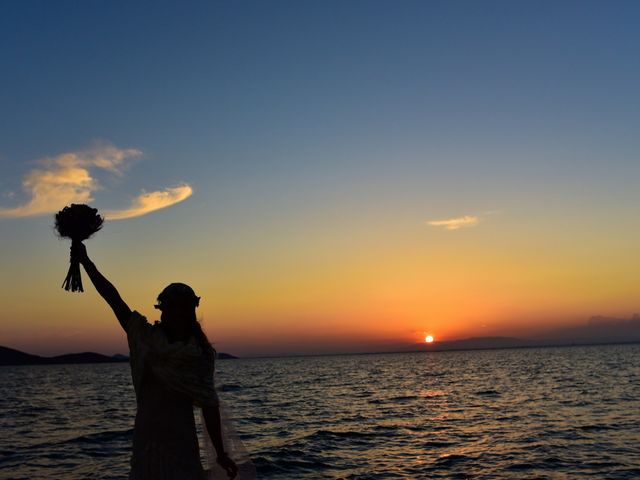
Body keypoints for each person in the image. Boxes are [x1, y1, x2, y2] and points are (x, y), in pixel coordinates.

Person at [71, 242, 239, 479]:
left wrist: (221, 454)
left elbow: (210, 404)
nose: (176, 314)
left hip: (180, 441)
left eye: (182, 309)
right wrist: (86, 263)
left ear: (191, 313)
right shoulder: (146, 338)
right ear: (163, 311)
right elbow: (113, 299)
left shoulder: (199, 354)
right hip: (146, 438)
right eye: (171, 309)